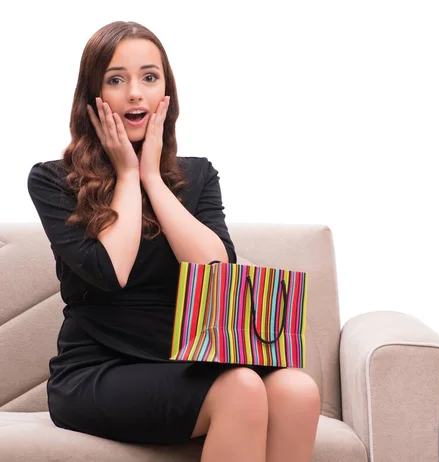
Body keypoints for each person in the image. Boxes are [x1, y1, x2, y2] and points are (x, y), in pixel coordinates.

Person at [26, 21, 320, 462]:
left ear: (167, 92)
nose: (135, 94)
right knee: (240, 387)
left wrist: (152, 179)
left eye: (149, 76)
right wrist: (127, 174)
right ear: (94, 95)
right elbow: (111, 271)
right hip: (97, 368)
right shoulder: (52, 180)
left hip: (187, 359)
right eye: (116, 79)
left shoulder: (197, 174)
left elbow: (215, 269)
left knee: (298, 389)